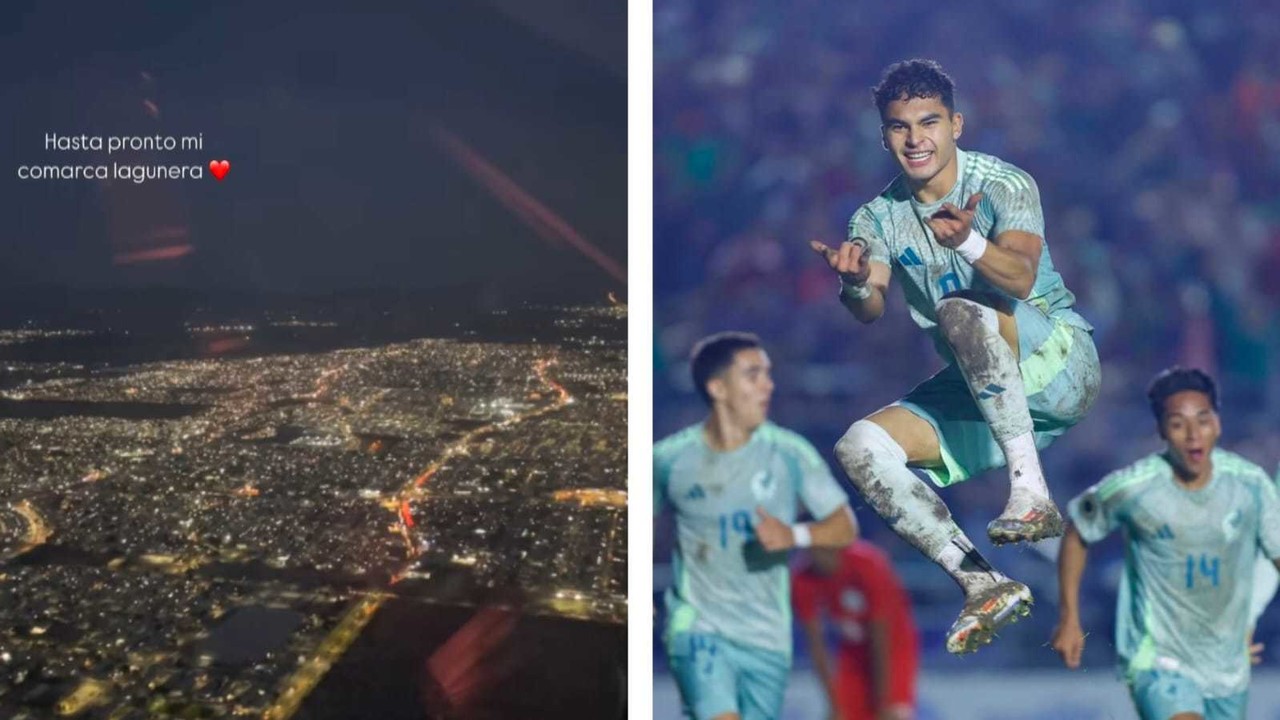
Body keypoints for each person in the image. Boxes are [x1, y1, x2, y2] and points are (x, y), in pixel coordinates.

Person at [807, 58, 1101, 654]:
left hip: (1060, 363)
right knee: (860, 448)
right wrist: (856, 282)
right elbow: (869, 309)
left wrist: (966, 239)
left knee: (962, 311)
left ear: (956, 125)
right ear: (883, 135)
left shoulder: (1003, 183)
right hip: (989, 390)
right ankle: (981, 582)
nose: (915, 139)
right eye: (899, 127)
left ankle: (1032, 496)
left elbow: (1018, 279)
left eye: (929, 122)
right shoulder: (877, 217)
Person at [1051, 367, 1280, 720]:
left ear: (1217, 424)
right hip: (1157, 659)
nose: (1193, 436)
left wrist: (1245, 621)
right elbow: (1078, 528)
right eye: (1178, 424)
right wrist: (1069, 617)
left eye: (1203, 420)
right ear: (1161, 431)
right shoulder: (1135, 488)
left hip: (1227, 666)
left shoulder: (1250, 484)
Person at [655, 331, 858, 720]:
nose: (769, 384)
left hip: (767, 636)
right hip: (699, 627)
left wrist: (794, 535)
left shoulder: (790, 452)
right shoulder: (669, 459)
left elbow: (844, 526)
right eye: (753, 375)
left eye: (767, 373)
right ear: (718, 387)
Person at [793, 542, 918, 720]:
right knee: (841, 714)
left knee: (892, 713)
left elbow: (880, 634)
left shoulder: (868, 563)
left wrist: (883, 701)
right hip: (852, 650)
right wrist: (833, 703)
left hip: (893, 646)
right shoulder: (802, 577)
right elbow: (816, 646)